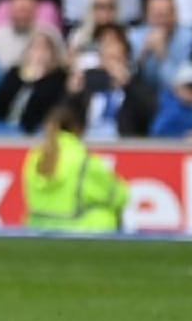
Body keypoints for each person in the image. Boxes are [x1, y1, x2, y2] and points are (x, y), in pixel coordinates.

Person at [21, 97, 129, 233]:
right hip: (79, 231)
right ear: (80, 128)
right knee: (105, 214)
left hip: (37, 228)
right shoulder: (84, 160)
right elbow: (119, 196)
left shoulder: (35, 156)